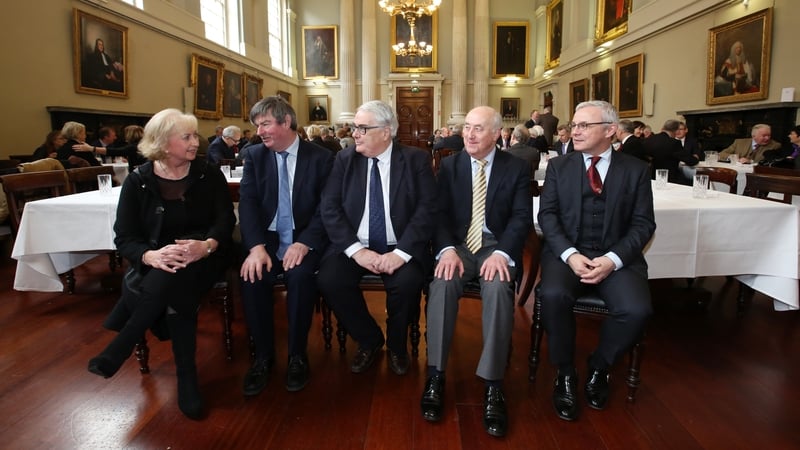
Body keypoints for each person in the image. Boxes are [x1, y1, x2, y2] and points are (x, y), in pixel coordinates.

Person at [87, 108, 236, 420]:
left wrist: (205, 246)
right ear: (164, 143)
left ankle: (124, 343)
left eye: (195, 135)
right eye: (187, 136)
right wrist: (150, 255)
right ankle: (186, 378)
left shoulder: (207, 174)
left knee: (175, 272)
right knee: (173, 277)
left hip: (207, 254)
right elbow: (124, 237)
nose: (196, 142)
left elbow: (225, 221)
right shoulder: (138, 181)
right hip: (157, 260)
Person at [538, 100, 655, 422]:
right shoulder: (560, 167)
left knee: (636, 310)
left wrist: (612, 260)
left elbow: (644, 224)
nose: (574, 131)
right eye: (574, 125)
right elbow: (547, 216)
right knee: (552, 296)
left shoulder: (635, 170)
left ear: (610, 131)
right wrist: (570, 254)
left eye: (584, 125)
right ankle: (564, 371)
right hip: (567, 255)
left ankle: (600, 366)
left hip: (616, 257)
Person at [422, 106, 532, 438]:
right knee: (441, 282)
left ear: (497, 134)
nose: (468, 134)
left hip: (495, 244)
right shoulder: (451, 165)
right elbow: (438, 215)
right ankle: (436, 375)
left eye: (478, 129)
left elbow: (521, 217)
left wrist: (502, 252)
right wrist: (445, 250)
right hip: (458, 246)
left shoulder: (517, 168)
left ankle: (493, 382)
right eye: (467, 127)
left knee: (499, 287)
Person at [317, 100, 437, 377]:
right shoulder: (345, 160)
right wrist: (357, 251)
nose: (354, 134)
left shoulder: (415, 160)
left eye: (362, 128)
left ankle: (397, 346)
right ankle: (369, 339)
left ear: (386, 131)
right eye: (354, 128)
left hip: (401, 245)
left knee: (407, 283)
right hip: (355, 244)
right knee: (329, 279)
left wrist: (402, 253)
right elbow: (330, 208)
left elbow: (427, 209)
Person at [238, 96, 334, 396]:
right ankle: (263, 357)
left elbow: (327, 208)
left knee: (301, 277)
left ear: (286, 122)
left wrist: (305, 242)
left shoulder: (320, 158)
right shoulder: (253, 156)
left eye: (265, 124)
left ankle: (296, 355)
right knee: (252, 277)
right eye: (257, 126)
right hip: (265, 239)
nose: (260, 131)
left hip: (304, 236)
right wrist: (254, 247)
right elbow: (249, 204)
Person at [644, 119, 697, 185]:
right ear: (676, 130)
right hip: (670, 179)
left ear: (664, 128)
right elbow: (691, 161)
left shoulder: (649, 139)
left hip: (651, 178)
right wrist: (695, 158)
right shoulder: (674, 143)